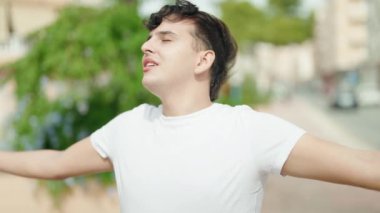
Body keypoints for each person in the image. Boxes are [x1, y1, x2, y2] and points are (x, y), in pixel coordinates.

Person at [0, 1, 379, 212]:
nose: (146, 47)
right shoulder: (128, 127)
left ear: (203, 61)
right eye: (149, 39)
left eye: (165, 39)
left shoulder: (247, 130)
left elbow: (366, 167)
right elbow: (54, 164)